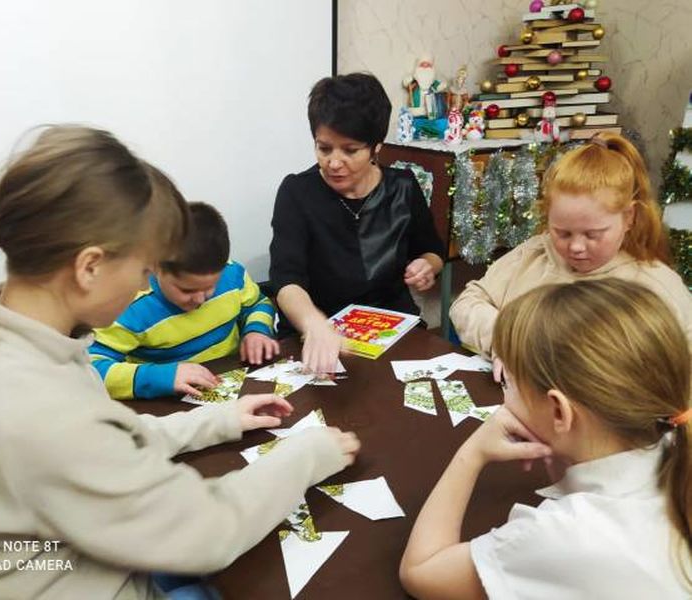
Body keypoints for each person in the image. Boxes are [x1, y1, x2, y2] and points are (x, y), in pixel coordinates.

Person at [0, 125, 360, 599]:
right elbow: (207, 531)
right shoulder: (37, 406)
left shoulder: (12, 331)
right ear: (89, 266)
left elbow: (106, 445)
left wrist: (216, 420)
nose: (142, 286)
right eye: (143, 270)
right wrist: (306, 455)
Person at [401, 278, 691, 599]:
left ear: (558, 411)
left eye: (507, 384)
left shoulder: (568, 535)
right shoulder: (675, 442)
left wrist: (471, 453)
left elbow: (422, 571)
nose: (503, 397)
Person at [450, 132, 692, 361]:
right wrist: (508, 342)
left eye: (593, 234)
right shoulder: (535, 253)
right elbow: (467, 303)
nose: (576, 247)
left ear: (629, 217)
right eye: (562, 233)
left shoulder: (658, 288)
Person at [269, 72, 445, 373]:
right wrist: (315, 325)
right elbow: (286, 281)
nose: (334, 163)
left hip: (391, 328)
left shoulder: (402, 186)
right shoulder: (297, 192)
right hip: (315, 333)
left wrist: (428, 266)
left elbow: (431, 250)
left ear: (376, 146)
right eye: (324, 148)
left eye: (350, 150)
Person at [90, 201, 279, 400]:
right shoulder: (130, 306)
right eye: (187, 289)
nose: (200, 299)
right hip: (167, 404)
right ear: (155, 267)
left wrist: (256, 331)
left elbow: (257, 304)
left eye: (209, 287)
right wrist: (161, 377)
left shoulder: (231, 275)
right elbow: (90, 369)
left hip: (234, 382)